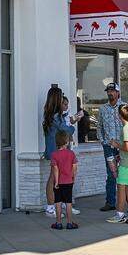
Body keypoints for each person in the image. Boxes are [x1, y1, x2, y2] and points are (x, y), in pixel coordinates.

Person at [42, 87, 81, 216]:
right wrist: (73, 124)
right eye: (61, 97)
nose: (63, 100)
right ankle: (50, 208)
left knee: (64, 177)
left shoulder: (55, 116)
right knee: (53, 178)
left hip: (60, 151)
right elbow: (66, 131)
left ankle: (63, 204)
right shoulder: (55, 117)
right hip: (55, 152)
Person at [106, 103, 128, 223]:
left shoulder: (125, 128)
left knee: (120, 187)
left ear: (119, 115)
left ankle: (119, 214)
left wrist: (116, 145)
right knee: (125, 187)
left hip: (127, 163)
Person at [97, 82, 124, 212]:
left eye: (112, 90)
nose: (110, 93)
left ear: (118, 93)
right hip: (108, 147)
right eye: (108, 91)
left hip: (123, 146)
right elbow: (99, 127)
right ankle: (110, 202)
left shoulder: (124, 107)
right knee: (111, 174)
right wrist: (103, 141)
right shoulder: (103, 109)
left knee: (126, 173)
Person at [49, 130, 79, 230]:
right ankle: (70, 223)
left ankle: (58, 223)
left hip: (58, 182)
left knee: (58, 202)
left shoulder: (54, 155)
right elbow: (74, 167)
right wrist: (73, 177)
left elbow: (55, 169)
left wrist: (56, 182)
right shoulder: (71, 154)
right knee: (68, 202)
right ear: (67, 142)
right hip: (68, 181)